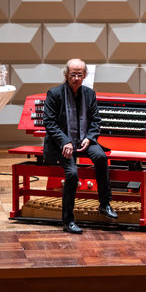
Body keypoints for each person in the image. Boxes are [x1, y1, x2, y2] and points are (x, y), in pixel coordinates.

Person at [43, 58, 118, 234]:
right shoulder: (54, 94)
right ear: (66, 75)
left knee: (100, 157)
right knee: (72, 174)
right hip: (61, 144)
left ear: (84, 75)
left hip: (84, 140)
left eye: (79, 74)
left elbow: (95, 121)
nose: (76, 78)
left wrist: (90, 138)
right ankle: (68, 220)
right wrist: (65, 141)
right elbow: (49, 123)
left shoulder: (89, 94)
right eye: (72, 74)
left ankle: (104, 204)